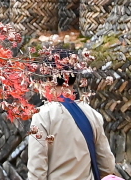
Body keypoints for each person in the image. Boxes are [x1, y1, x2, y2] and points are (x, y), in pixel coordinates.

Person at [26, 50, 120, 180]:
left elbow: (37, 171)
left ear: (48, 78)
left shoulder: (42, 116)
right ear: (74, 77)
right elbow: (107, 165)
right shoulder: (92, 114)